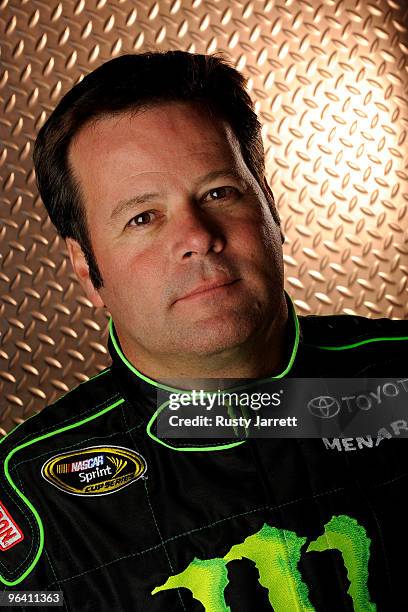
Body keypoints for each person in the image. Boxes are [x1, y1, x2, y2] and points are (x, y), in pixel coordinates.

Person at [0, 50, 407, 611]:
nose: (196, 235)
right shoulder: (26, 495)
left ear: (270, 209)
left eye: (219, 192)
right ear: (87, 269)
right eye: (142, 217)